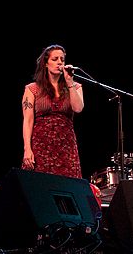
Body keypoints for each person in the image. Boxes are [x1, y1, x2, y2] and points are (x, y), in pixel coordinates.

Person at [21, 44, 84, 178]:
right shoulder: (32, 89)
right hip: (41, 146)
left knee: (68, 186)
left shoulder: (75, 86)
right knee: (40, 187)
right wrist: (27, 148)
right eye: (55, 59)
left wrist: (70, 82)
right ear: (45, 63)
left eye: (62, 59)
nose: (59, 63)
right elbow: (28, 120)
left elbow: (78, 108)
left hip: (66, 146)